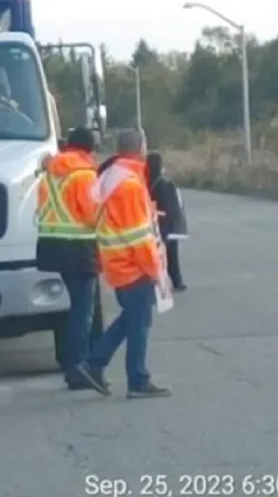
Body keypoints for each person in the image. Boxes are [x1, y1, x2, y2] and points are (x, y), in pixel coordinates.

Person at [74, 130, 171, 399]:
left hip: (115, 260)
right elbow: (138, 236)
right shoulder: (129, 184)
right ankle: (137, 380)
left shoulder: (110, 176)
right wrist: (156, 270)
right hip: (132, 265)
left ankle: (94, 364)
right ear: (140, 148)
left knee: (130, 319)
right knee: (139, 323)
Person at [35, 127, 102, 391]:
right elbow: (92, 214)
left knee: (76, 307)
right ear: (89, 148)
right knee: (82, 311)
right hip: (79, 247)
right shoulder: (83, 174)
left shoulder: (51, 172)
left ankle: (75, 362)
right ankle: (78, 367)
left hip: (52, 245)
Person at [147, 152, 188, 292]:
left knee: (163, 257)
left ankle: (166, 283)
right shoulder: (164, 183)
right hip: (167, 225)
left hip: (159, 224)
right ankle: (176, 282)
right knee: (171, 256)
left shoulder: (152, 183)